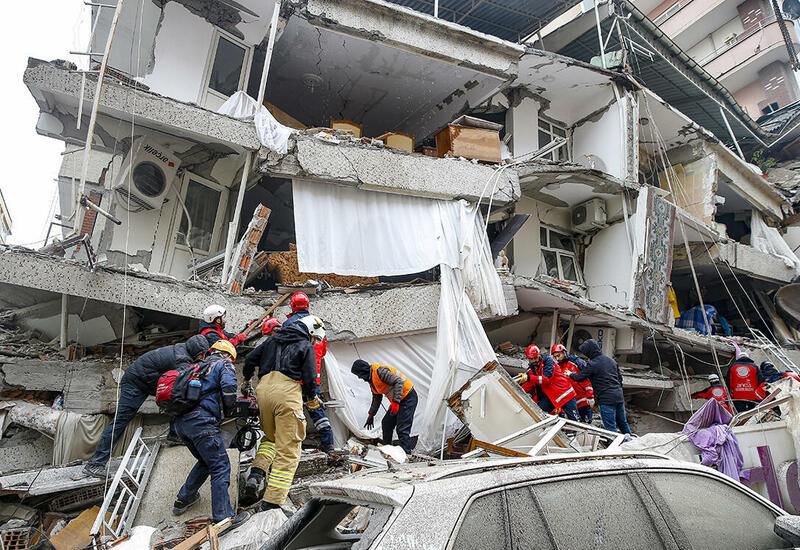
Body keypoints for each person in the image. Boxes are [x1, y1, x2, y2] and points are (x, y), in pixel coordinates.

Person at [83, 335, 210, 478]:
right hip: (135, 383)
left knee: (179, 400)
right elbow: (188, 375)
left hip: (147, 382)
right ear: (195, 351)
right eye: (202, 354)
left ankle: (174, 436)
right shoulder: (181, 358)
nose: (203, 357)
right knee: (120, 422)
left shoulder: (185, 349)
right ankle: (95, 464)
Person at [242, 315, 325, 511]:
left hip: (263, 391)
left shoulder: (271, 341)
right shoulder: (305, 345)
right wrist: (311, 398)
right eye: (315, 338)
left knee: (271, 438)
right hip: (287, 392)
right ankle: (271, 503)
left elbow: (250, 360)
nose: (314, 342)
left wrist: (246, 381)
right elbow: (310, 377)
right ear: (310, 332)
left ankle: (256, 474)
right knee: (289, 450)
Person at [171, 340, 249, 530]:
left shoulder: (194, 367)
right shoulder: (223, 364)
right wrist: (231, 408)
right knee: (220, 466)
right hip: (202, 423)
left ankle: (184, 499)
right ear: (226, 354)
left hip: (181, 425)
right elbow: (228, 388)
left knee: (207, 461)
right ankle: (223, 519)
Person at [279, 292, 335, 454]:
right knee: (316, 409)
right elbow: (323, 351)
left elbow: (283, 350)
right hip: (312, 377)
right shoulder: (317, 323)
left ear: (292, 306)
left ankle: (293, 446)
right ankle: (329, 445)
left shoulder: (289, 324)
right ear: (308, 305)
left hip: (294, 378)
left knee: (292, 412)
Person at [351, 360, 418, 454]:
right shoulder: (371, 380)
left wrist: (395, 402)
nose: (359, 377)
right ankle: (387, 450)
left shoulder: (380, 372)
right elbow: (377, 397)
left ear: (362, 371)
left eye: (358, 374)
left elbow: (399, 382)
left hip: (408, 397)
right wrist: (371, 414)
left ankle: (406, 454)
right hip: (398, 400)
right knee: (386, 423)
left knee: (402, 429)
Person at [571, 339, 632, 434]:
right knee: (623, 424)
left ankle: (615, 443)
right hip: (619, 396)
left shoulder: (593, 364)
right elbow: (620, 379)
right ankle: (631, 441)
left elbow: (579, 377)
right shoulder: (611, 361)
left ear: (589, 352)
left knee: (610, 428)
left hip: (606, 399)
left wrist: (570, 374)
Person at [520, 345, 578, 421]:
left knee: (575, 420)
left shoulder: (548, 362)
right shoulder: (533, 367)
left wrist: (528, 377)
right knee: (538, 410)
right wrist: (518, 390)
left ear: (539, 355)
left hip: (565, 394)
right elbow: (530, 383)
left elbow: (546, 379)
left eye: (535, 358)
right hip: (551, 396)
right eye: (531, 359)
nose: (534, 360)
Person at [552, 343, 594, 423]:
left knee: (586, 424)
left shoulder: (576, 362)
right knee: (577, 424)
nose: (557, 358)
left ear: (564, 352)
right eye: (555, 357)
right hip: (573, 402)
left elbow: (587, 378)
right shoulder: (558, 368)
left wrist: (590, 396)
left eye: (558, 355)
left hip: (584, 399)